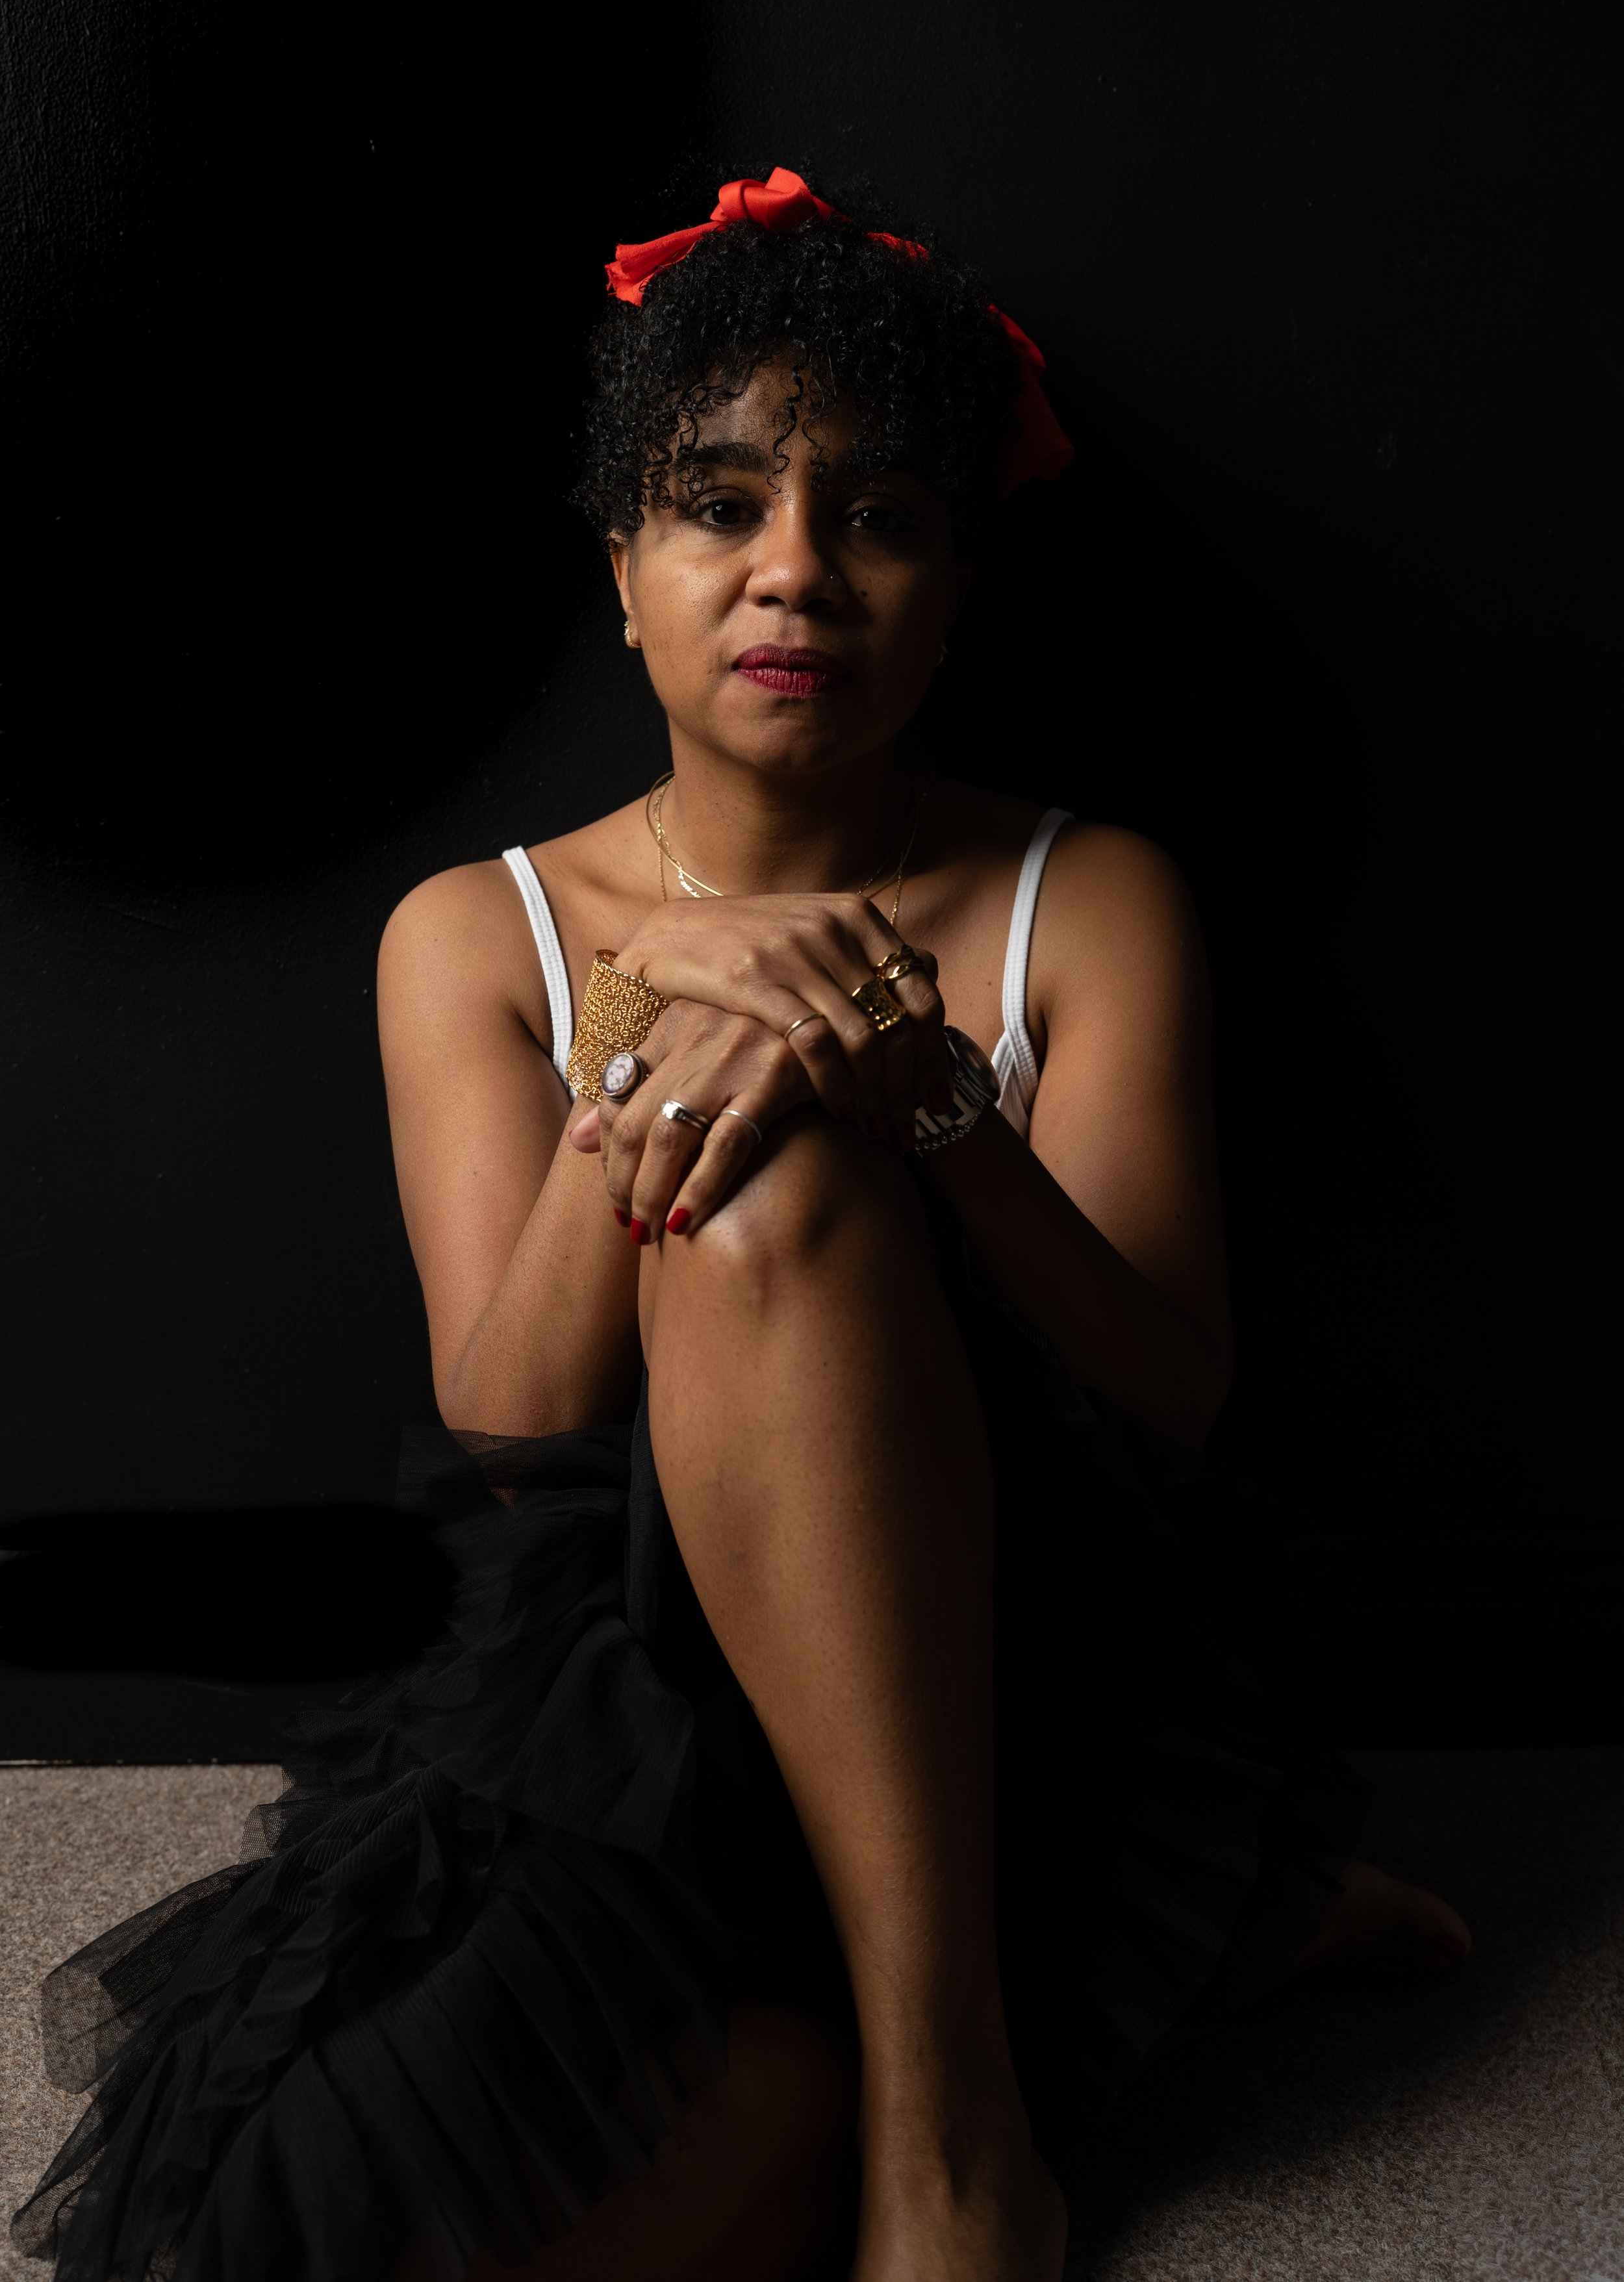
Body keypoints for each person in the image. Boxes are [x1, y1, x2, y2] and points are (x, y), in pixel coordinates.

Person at [14, 168, 1469, 2282]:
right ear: (621, 571)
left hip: (1022, 1672)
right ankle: (1159, 1949)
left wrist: (926, 1106)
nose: (794, 571)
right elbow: (508, 1420)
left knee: (781, 1196)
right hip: (642, 1721)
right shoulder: (478, 933)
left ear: (954, 587)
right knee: (374, 2223)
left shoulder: (1089, 896)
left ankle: (966, 2134)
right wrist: (641, 1085)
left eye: (876, 515)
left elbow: (1169, 1393)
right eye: (715, 503)